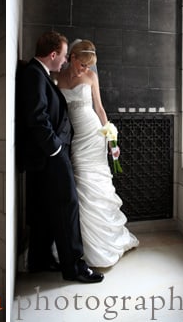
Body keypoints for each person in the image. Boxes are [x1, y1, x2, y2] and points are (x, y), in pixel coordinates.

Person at [17, 31, 104, 283]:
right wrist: (55, 148)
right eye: (65, 56)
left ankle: (40, 259)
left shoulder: (38, 73)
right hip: (50, 155)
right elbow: (37, 117)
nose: (66, 61)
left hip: (48, 155)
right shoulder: (34, 75)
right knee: (68, 205)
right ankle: (75, 266)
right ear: (53, 54)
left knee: (44, 208)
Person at [54, 39, 139, 267]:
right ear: (71, 58)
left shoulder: (91, 77)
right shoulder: (57, 78)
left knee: (96, 184)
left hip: (93, 135)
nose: (86, 69)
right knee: (80, 185)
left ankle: (102, 244)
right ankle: (78, 243)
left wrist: (112, 140)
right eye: (83, 64)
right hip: (76, 139)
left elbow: (99, 109)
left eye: (89, 65)